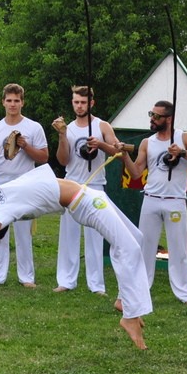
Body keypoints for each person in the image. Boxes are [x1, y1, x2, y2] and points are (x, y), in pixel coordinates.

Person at [0, 164, 153, 349]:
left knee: (136, 238)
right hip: (85, 204)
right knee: (127, 248)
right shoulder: (2, 214)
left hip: (89, 193)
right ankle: (130, 317)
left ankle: (125, 300)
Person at [120, 100, 187, 305]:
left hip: (175, 201)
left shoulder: (184, 137)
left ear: (169, 119)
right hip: (151, 200)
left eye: (157, 116)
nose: (152, 119)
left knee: (178, 249)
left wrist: (183, 153)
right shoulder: (147, 143)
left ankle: (184, 294)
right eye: (151, 114)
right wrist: (124, 155)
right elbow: (135, 173)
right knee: (145, 247)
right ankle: (141, 289)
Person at [52, 86, 125, 295]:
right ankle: (66, 280)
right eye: (76, 102)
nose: (79, 106)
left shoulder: (102, 125)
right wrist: (62, 136)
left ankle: (96, 284)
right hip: (71, 185)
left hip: (95, 184)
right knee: (68, 235)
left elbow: (116, 151)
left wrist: (100, 144)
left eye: (83, 102)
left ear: (91, 103)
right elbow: (63, 160)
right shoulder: (69, 127)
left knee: (95, 236)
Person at [0, 83, 48, 288]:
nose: (12, 104)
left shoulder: (33, 127)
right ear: (3, 102)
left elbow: (44, 157)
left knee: (23, 232)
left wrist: (25, 146)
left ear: (22, 102)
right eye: (9, 100)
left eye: (16, 100)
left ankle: (26, 277)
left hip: (24, 184)